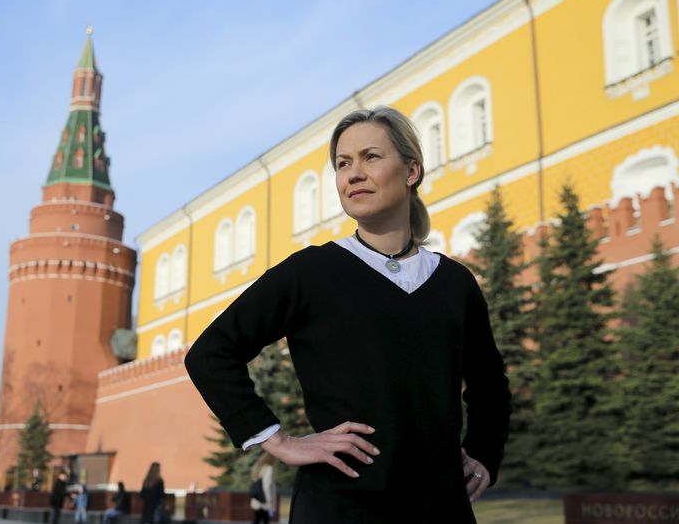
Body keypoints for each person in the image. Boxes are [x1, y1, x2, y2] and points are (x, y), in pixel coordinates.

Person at [185, 106, 512, 523]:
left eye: (370, 157)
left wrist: (484, 455)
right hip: (338, 507)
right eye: (343, 163)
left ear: (412, 171)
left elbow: (489, 386)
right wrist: (279, 440)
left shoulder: (455, 283)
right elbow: (210, 353)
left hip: (441, 509)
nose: (353, 173)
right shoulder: (312, 272)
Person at [249, 453, 277, 524]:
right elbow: (266, 485)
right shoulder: (269, 468)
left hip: (257, 499)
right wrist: (268, 501)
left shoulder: (258, 467)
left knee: (256, 519)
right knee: (265, 520)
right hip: (264, 500)